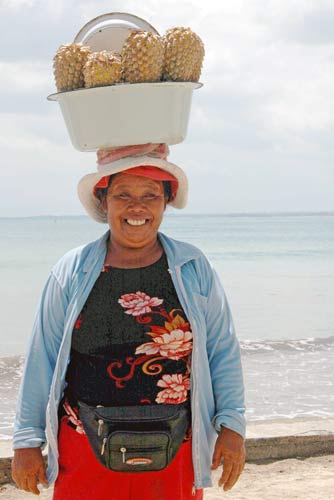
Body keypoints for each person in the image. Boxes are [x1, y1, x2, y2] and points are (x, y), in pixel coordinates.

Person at [11, 143, 246, 499]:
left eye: (150, 194)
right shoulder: (71, 271)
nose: (137, 206)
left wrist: (232, 425)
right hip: (84, 447)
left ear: (165, 202)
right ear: (104, 202)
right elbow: (42, 358)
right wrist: (27, 441)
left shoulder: (193, 268)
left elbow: (222, 352)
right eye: (123, 194)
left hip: (175, 448)